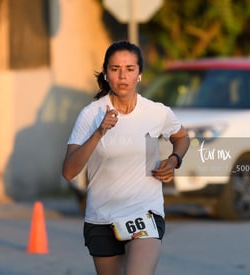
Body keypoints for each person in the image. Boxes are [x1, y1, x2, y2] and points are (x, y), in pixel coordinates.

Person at [62, 40, 190, 275]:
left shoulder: (156, 112)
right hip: (102, 218)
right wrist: (99, 133)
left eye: (130, 69)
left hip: (145, 213)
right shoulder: (91, 114)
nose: (122, 76)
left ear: (139, 74)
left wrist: (173, 161)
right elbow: (69, 171)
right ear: (106, 74)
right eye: (115, 69)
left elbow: (182, 138)